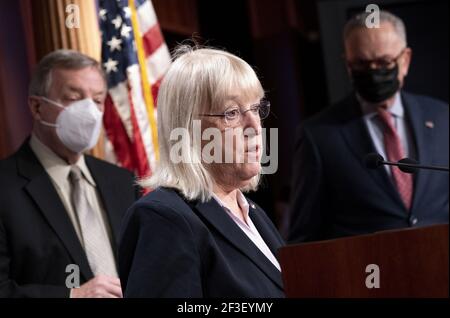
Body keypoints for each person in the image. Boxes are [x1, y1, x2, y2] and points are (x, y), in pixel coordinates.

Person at [119, 46, 285, 298]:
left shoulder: (253, 212)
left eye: (256, 108)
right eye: (232, 113)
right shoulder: (163, 219)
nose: (254, 127)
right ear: (189, 130)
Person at [288, 11, 449, 242]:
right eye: (362, 64)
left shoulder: (442, 117)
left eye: (384, 62)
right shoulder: (318, 135)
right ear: (347, 65)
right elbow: (304, 238)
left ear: (405, 60)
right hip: (368, 273)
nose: (373, 73)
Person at [0, 50, 140, 297]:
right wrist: (72, 295)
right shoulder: (5, 185)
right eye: (74, 98)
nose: (90, 111)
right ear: (37, 107)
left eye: (97, 100)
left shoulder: (123, 181)